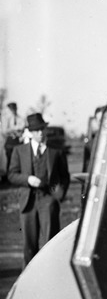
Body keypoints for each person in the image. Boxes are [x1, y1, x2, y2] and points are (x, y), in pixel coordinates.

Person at [7, 113, 70, 266]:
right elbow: (12, 175)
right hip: (28, 202)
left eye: (42, 129)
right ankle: (28, 278)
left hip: (48, 200)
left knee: (51, 244)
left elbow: (65, 176)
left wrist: (58, 195)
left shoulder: (56, 151)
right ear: (30, 132)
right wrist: (27, 179)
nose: (40, 133)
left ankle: (51, 275)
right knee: (29, 247)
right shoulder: (20, 151)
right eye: (36, 130)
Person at [2, 102, 25, 173]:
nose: (13, 111)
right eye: (11, 109)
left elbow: (22, 128)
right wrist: (15, 129)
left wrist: (13, 129)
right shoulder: (6, 119)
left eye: (14, 109)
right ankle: (9, 174)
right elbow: (4, 131)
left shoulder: (20, 118)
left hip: (18, 142)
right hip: (9, 142)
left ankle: (16, 174)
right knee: (9, 159)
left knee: (18, 160)